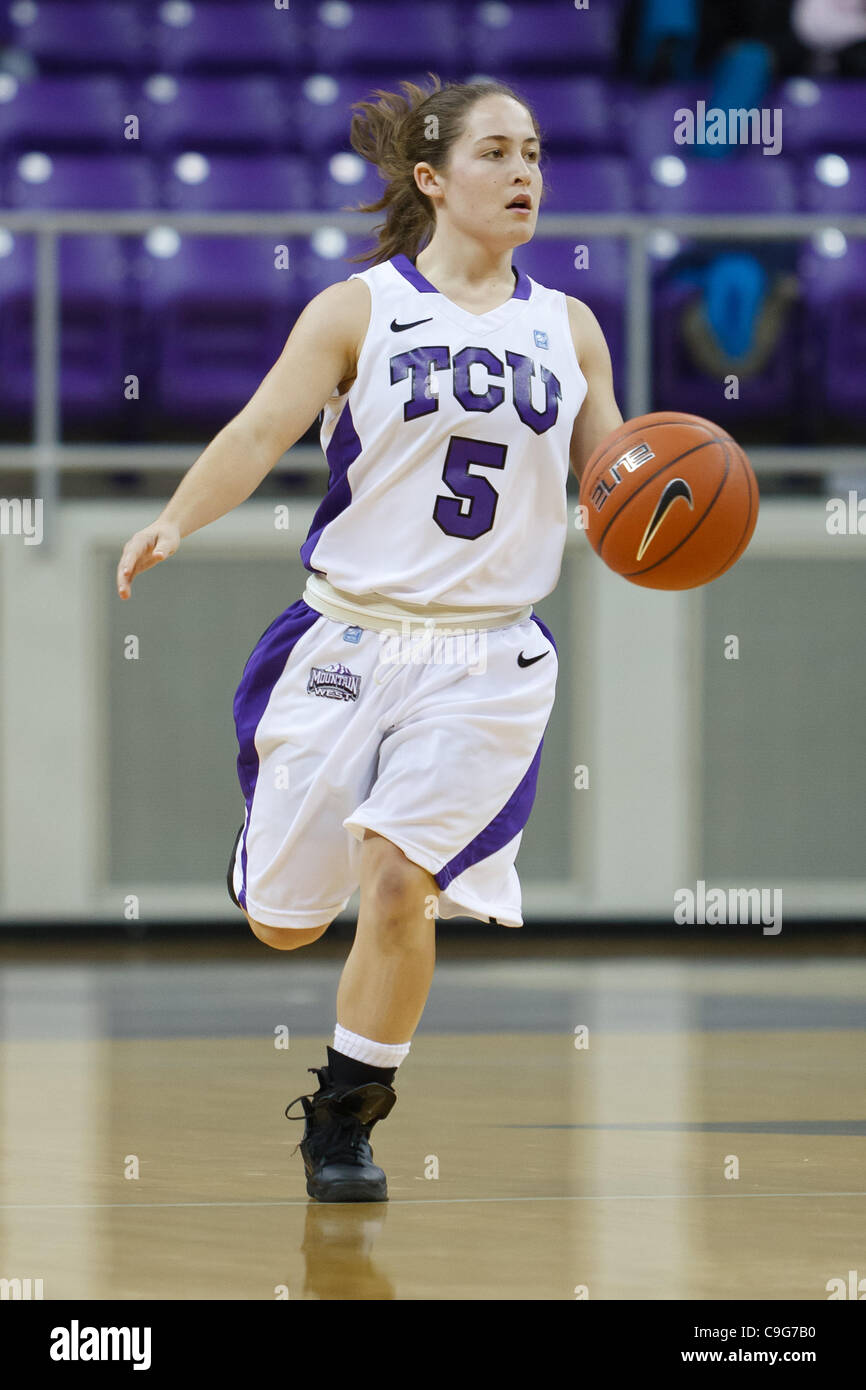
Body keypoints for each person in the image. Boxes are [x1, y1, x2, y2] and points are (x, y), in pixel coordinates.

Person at [115, 74, 623, 1203]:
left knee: (400, 883)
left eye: (534, 151)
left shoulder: (569, 327)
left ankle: (343, 1123)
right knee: (284, 925)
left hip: (487, 657)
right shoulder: (358, 309)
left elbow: (619, 477)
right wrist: (175, 518)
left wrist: (675, 510)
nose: (525, 171)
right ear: (433, 179)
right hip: (347, 639)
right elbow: (257, 429)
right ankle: (286, 866)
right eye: (495, 152)